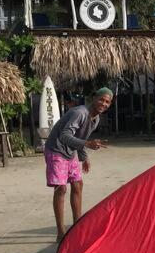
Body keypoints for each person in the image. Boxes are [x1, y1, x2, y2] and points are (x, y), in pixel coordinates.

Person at [44, 87, 112, 241]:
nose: (104, 103)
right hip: (56, 149)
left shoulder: (96, 119)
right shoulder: (80, 113)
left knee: (77, 184)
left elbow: (81, 137)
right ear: (94, 98)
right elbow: (65, 135)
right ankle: (60, 233)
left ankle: (77, 226)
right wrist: (87, 144)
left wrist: (84, 157)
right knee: (60, 188)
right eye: (101, 99)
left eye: (107, 102)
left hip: (70, 151)